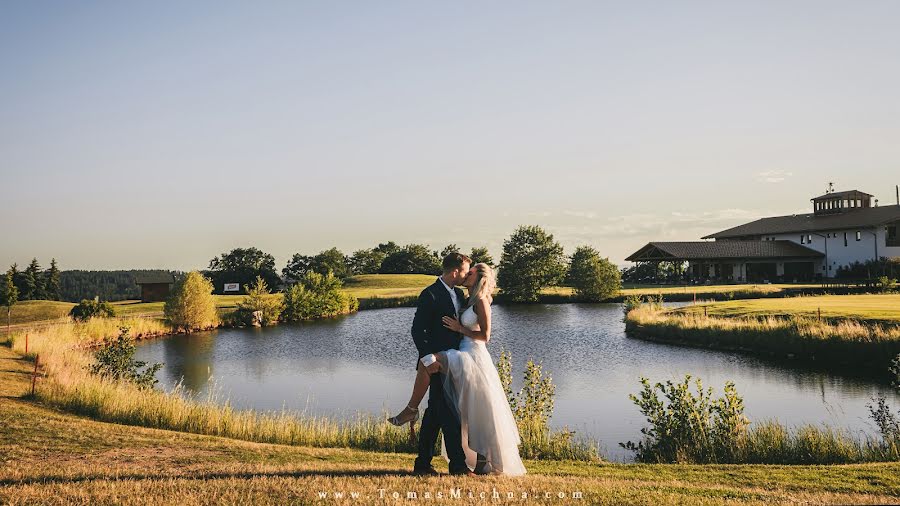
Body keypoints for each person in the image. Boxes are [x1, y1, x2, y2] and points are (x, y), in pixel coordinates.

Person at [389, 261, 527, 476]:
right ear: (456, 270)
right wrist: (427, 354)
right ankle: (441, 462)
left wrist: (459, 328)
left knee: (469, 410)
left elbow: (485, 336)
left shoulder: (478, 300)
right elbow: (417, 329)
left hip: (470, 356)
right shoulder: (438, 294)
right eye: (465, 271)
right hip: (457, 356)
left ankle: (414, 417)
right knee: (442, 409)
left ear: (478, 277)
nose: (465, 276)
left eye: (470, 273)